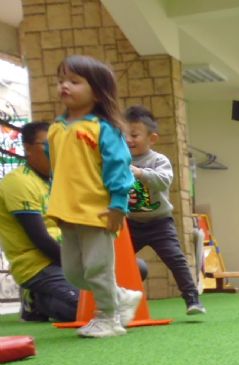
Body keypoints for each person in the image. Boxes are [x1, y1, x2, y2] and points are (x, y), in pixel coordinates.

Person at [46, 55, 138, 338]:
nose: (65, 86)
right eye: (61, 81)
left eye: (74, 81)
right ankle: (121, 296)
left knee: (98, 268)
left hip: (97, 211)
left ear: (97, 92)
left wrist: (118, 205)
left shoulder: (103, 128)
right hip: (67, 211)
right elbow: (58, 169)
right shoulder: (56, 128)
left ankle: (108, 317)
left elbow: (118, 167)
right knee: (74, 273)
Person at [124, 105, 205, 315]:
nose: (129, 139)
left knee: (176, 259)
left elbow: (164, 181)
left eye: (134, 135)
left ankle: (192, 299)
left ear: (152, 139)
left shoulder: (158, 160)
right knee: (116, 259)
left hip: (159, 223)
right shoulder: (120, 161)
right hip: (130, 223)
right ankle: (115, 300)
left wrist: (140, 173)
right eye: (124, 135)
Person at [0, 121, 79, 322]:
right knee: (82, 306)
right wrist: (79, 264)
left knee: (138, 268)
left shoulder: (59, 181)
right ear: (28, 148)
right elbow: (40, 239)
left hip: (67, 257)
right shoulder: (18, 182)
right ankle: (34, 300)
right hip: (39, 265)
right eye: (48, 145)